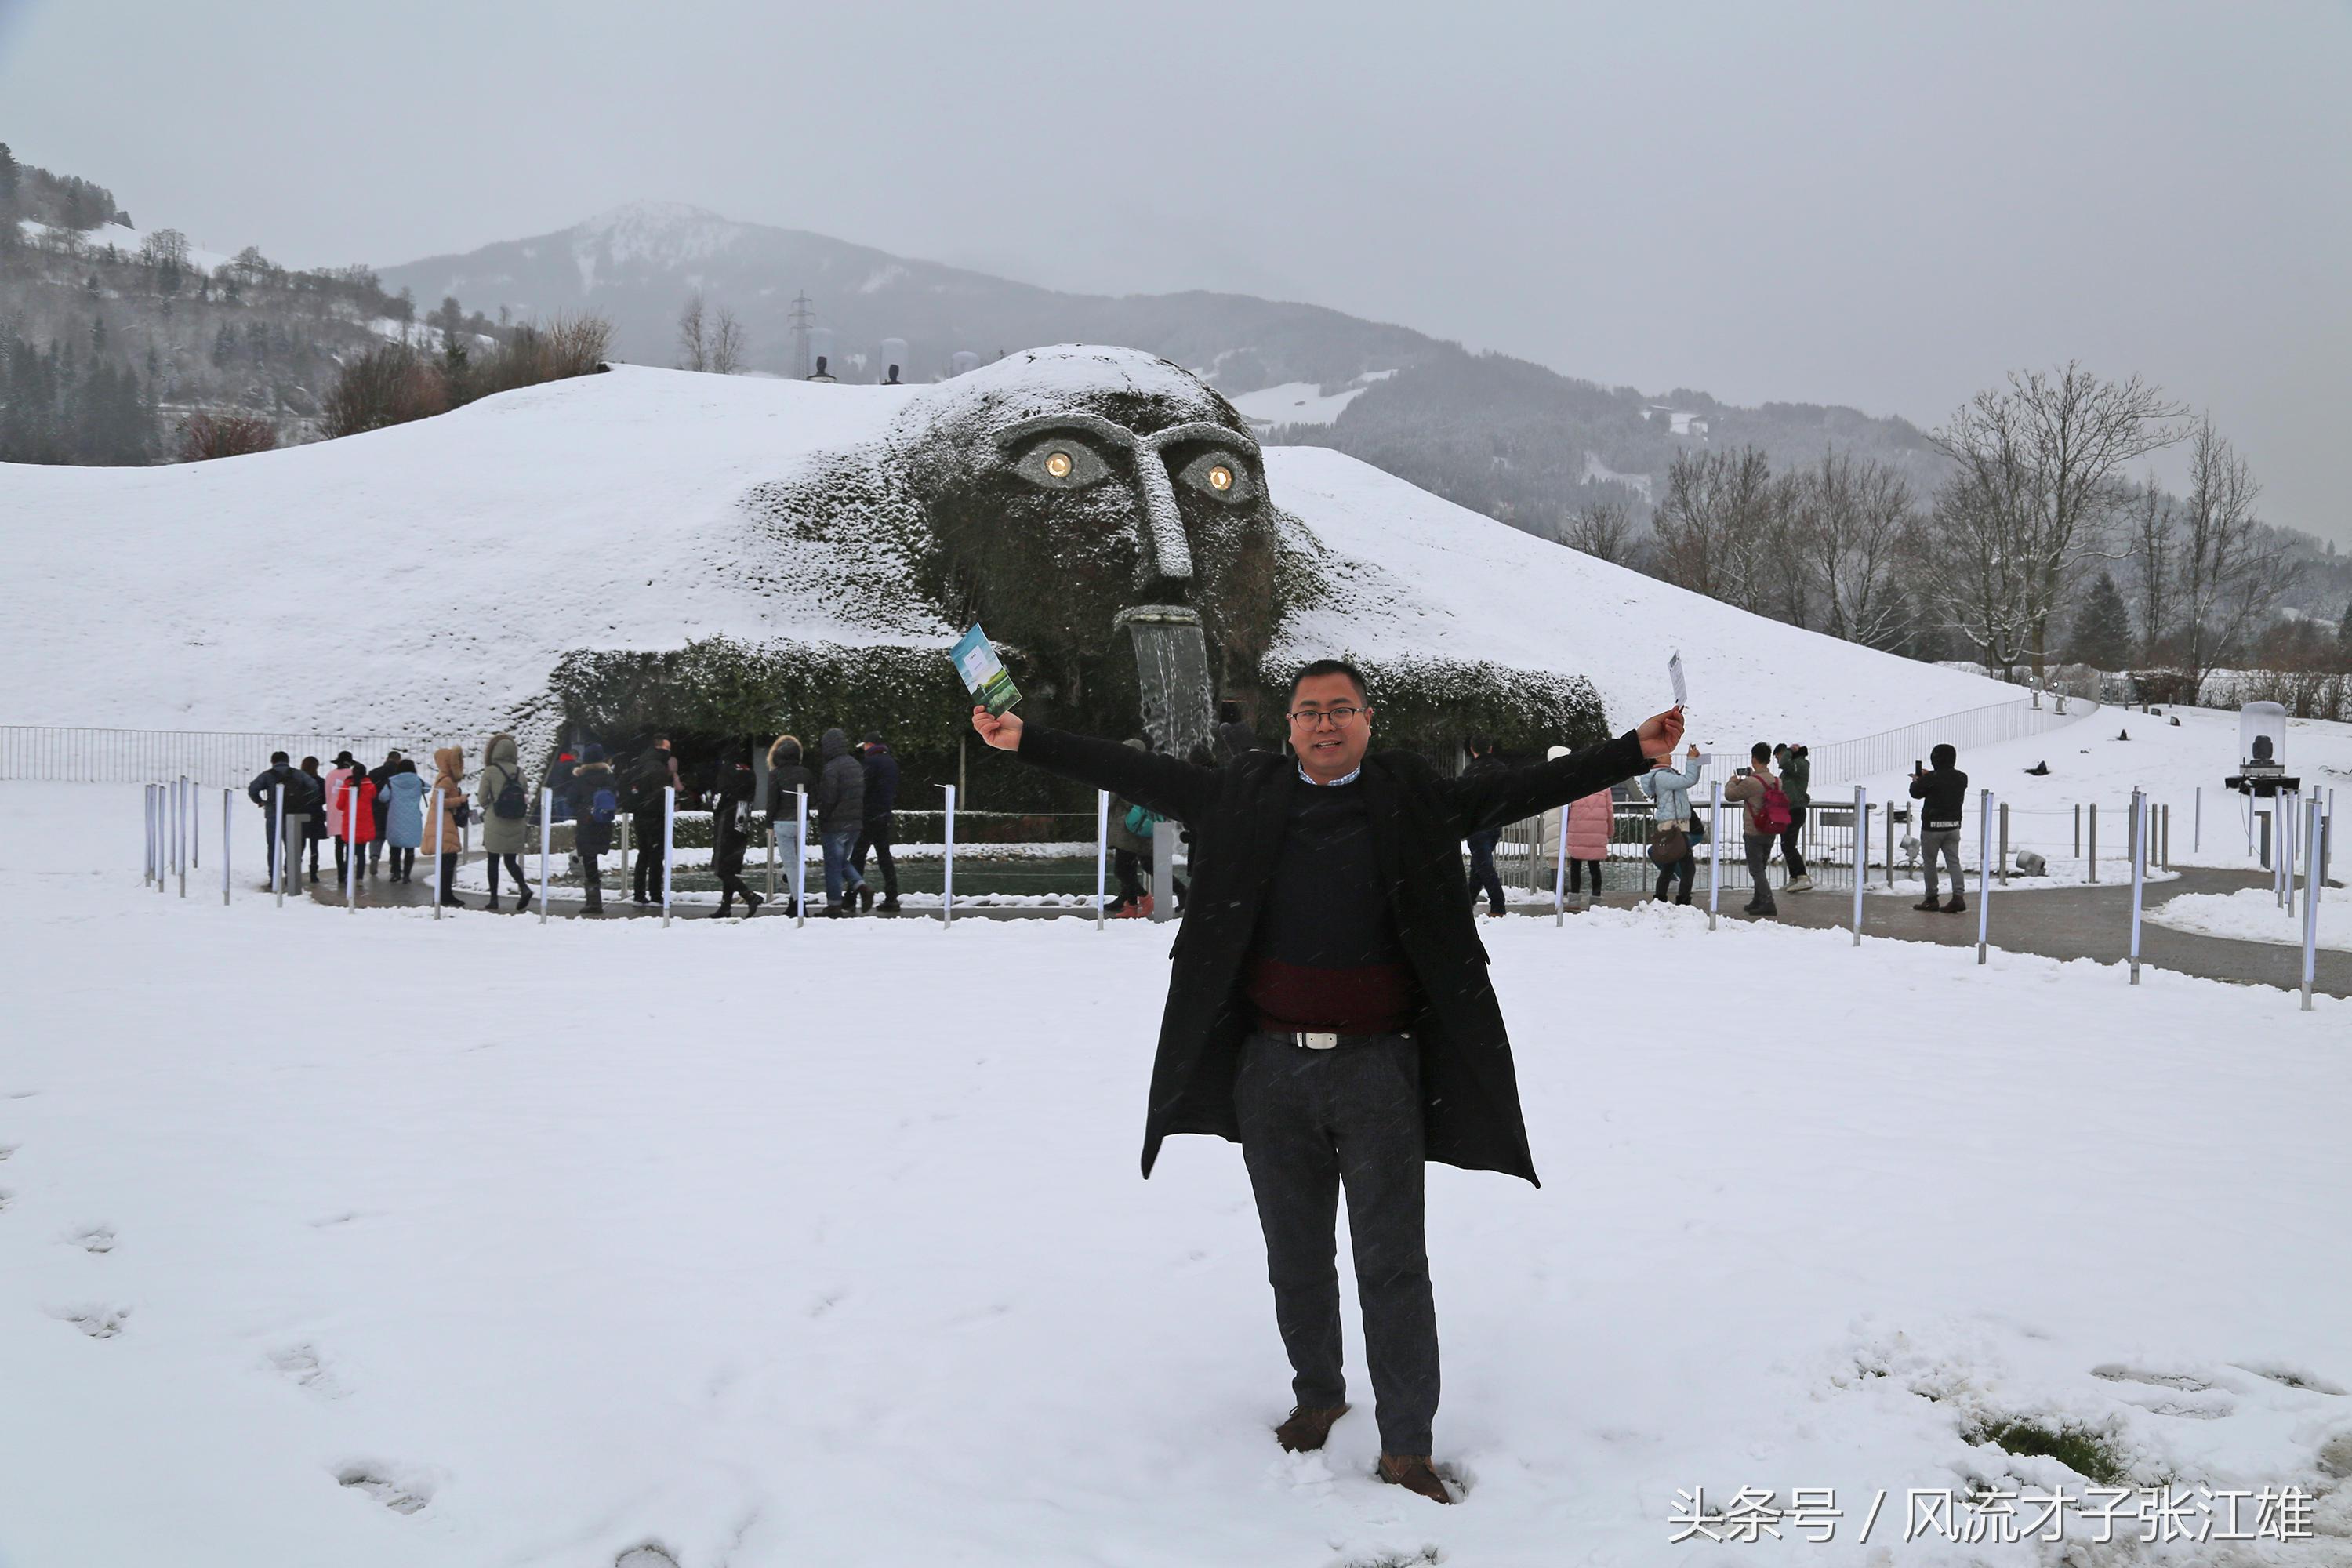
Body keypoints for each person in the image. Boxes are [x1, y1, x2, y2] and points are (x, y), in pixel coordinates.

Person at [970, 657, 1681, 1504]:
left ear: (1368, 720)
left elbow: (1521, 789)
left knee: (1393, 1263)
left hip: (1380, 1069)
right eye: (1309, 711)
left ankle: (1407, 1445)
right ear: (1290, 727)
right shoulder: (1246, 793)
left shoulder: (1410, 795)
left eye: (1341, 709)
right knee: (1295, 1255)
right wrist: (1027, 738)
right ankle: (1318, 1395)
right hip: (1271, 1069)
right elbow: (1135, 771)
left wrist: (1632, 751)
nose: (1325, 723)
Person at [1722, 742, 1792, 918]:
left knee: (1756, 869)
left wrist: (1732, 782)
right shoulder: (1777, 781)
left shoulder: (1751, 782)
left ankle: (1768, 902)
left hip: (1754, 830)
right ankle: (1758, 900)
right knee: (1761, 866)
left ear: (1754, 759)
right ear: (1768, 759)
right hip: (1771, 828)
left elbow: (1731, 795)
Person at [1909, 743, 1969, 914]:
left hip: (1932, 828)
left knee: (1930, 863)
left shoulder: (1931, 779)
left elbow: (1916, 793)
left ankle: (1931, 899)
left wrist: (1918, 780)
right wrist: (1931, 776)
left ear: (1935, 759)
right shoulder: (1962, 777)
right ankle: (1958, 897)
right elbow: (1945, 781)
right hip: (1953, 826)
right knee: (1954, 862)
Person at [1643, 745, 1706, 904]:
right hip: (1676, 827)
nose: (1670, 756)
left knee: (1669, 867)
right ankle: (1682, 902)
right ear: (1658, 758)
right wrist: (1691, 760)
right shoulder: (1662, 776)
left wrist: (1696, 762)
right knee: (1688, 868)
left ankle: (1660, 900)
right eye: (1667, 754)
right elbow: (1688, 780)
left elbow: (1689, 780)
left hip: (1672, 826)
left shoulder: (1664, 774)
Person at [478, 732, 533, 913]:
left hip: (496, 820)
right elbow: (526, 797)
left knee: (493, 860)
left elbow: (482, 798)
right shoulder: (520, 772)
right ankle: (524, 887)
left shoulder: (490, 771)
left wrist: (489, 807)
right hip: (516, 820)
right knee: (511, 861)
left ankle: (494, 899)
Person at [814, 727, 866, 916]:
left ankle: (835, 905)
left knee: (833, 866)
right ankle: (861, 887)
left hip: (835, 824)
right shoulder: (855, 764)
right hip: (854, 823)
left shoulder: (831, 768)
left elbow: (828, 798)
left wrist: (822, 818)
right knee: (842, 861)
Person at [765, 735, 815, 916]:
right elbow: (813, 799)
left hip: (783, 821)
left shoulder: (775, 774)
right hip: (802, 821)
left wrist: (769, 823)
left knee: (790, 864)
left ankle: (798, 903)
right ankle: (795, 902)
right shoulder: (806, 773)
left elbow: (772, 801)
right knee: (798, 862)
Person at [1460, 735, 1507, 918]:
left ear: (1472, 749)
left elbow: (1465, 799)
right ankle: (1467, 902)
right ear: (1490, 748)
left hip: (1477, 824)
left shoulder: (1470, 771)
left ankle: (1498, 905)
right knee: (1479, 865)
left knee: (1483, 865)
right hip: (1495, 823)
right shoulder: (1501, 769)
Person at [854, 730, 901, 913]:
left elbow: (862, 788)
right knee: (884, 857)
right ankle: (892, 896)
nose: (864, 749)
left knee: (858, 857)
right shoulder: (891, 763)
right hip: (884, 815)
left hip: (868, 816)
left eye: (865, 746)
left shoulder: (870, 763)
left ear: (870, 745)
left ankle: (852, 896)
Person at [568, 743, 617, 913]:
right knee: (594, 856)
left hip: (587, 822)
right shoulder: (609, 777)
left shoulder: (581, 779)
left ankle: (594, 901)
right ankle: (594, 901)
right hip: (603, 823)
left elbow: (571, 800)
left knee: (589, 861)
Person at [1107, 739, 1154, 916]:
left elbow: (1121, 800)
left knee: (1121, 870)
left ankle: (1145, 897)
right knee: (1128, 870)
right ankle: (1131, 906)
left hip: (1127, 830)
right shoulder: (1141, 771)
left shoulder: (1128, 773)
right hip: (1130, 828)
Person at [245, 750, 303, 888]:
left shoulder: (267, 775)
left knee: (273, 847)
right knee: (291, 846)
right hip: (292, 815)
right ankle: (290, 877)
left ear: (273, 762)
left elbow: (253, 789)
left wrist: (260, 801)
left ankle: (274, 878)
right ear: (287, 761)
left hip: (273, 815)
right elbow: (312, 787)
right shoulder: (297, 774)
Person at [627, 745, 674, 906]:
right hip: (655, 817)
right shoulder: (659, 769)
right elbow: (662, 794)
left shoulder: (639, 767)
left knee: (643, 855)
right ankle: (655, 894)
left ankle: (639, 894)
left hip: (640, 816)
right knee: (656, 856)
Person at [423, 746, 467, 908]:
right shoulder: (446, 780)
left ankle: (444, 894)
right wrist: (460, 800)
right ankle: (444, 895)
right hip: (443, 823)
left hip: (444, 822)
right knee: (449, 859)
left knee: (448, 860)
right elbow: (438, 800)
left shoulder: (444, 778)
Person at [1563, 783, 1614, 905]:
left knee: (1575, 867)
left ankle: (1574, 900)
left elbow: (1567, 810)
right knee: (1595, 867)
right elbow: (1609, 811)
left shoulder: (1576, 784)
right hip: (1597, 831)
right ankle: (1596, 899)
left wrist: (1566, 829)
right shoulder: (1605, 787)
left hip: (1577, 830)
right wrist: (1610, 831)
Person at [1773, 742, 1813, 891]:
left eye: (1778, 757)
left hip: (1796, 811)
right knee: (1786, 845)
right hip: (1788, 810)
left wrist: (1789, 750)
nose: (1778, 761)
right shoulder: (1790, 768)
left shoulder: (1799, 765)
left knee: (1789, 845)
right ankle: (1794, 877)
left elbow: (1783, 763)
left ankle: (1803, 877)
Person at [334, 764, 377, 896]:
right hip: (365, 823)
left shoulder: (346, 787)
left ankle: (347, 876)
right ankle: (359, 879)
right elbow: (374, 797)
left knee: (349, 852)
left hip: (350, 822)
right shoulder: (370, 786)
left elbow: (339, 805)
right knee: (361, 853)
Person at [382, 758, 425, 883]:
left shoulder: (392, 781)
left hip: (395, 818)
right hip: (413, 818)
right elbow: (427, 788)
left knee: (395, 848)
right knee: (409, 849)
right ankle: (407, 875)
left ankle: (396, 873)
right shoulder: (418, 781)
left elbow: (383, 797)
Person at [365, 750, 401, 876]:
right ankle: (394, 863)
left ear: (387, 759)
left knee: (377, 835)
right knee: (394, 838)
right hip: (394, 809)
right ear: (398, 760)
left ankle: (374, 856)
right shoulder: (399, 774)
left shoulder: (374, 772)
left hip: (376, 809)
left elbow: (369, 791)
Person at [323, 751, 357, 883]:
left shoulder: (330, 775)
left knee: (338, 845)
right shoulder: (352, 774)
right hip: (349, 812)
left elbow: (327, 794)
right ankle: (348, 870)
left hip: (334, 811)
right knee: (350, 844)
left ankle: (340, 873)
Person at [298, 757, 327, 882]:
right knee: (314, 846)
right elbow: (324, 798)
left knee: (299, 845)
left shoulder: (298, 780)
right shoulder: (320, 781)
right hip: (316, 814)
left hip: (300, 813)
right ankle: (313, 873)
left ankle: (294, 870)